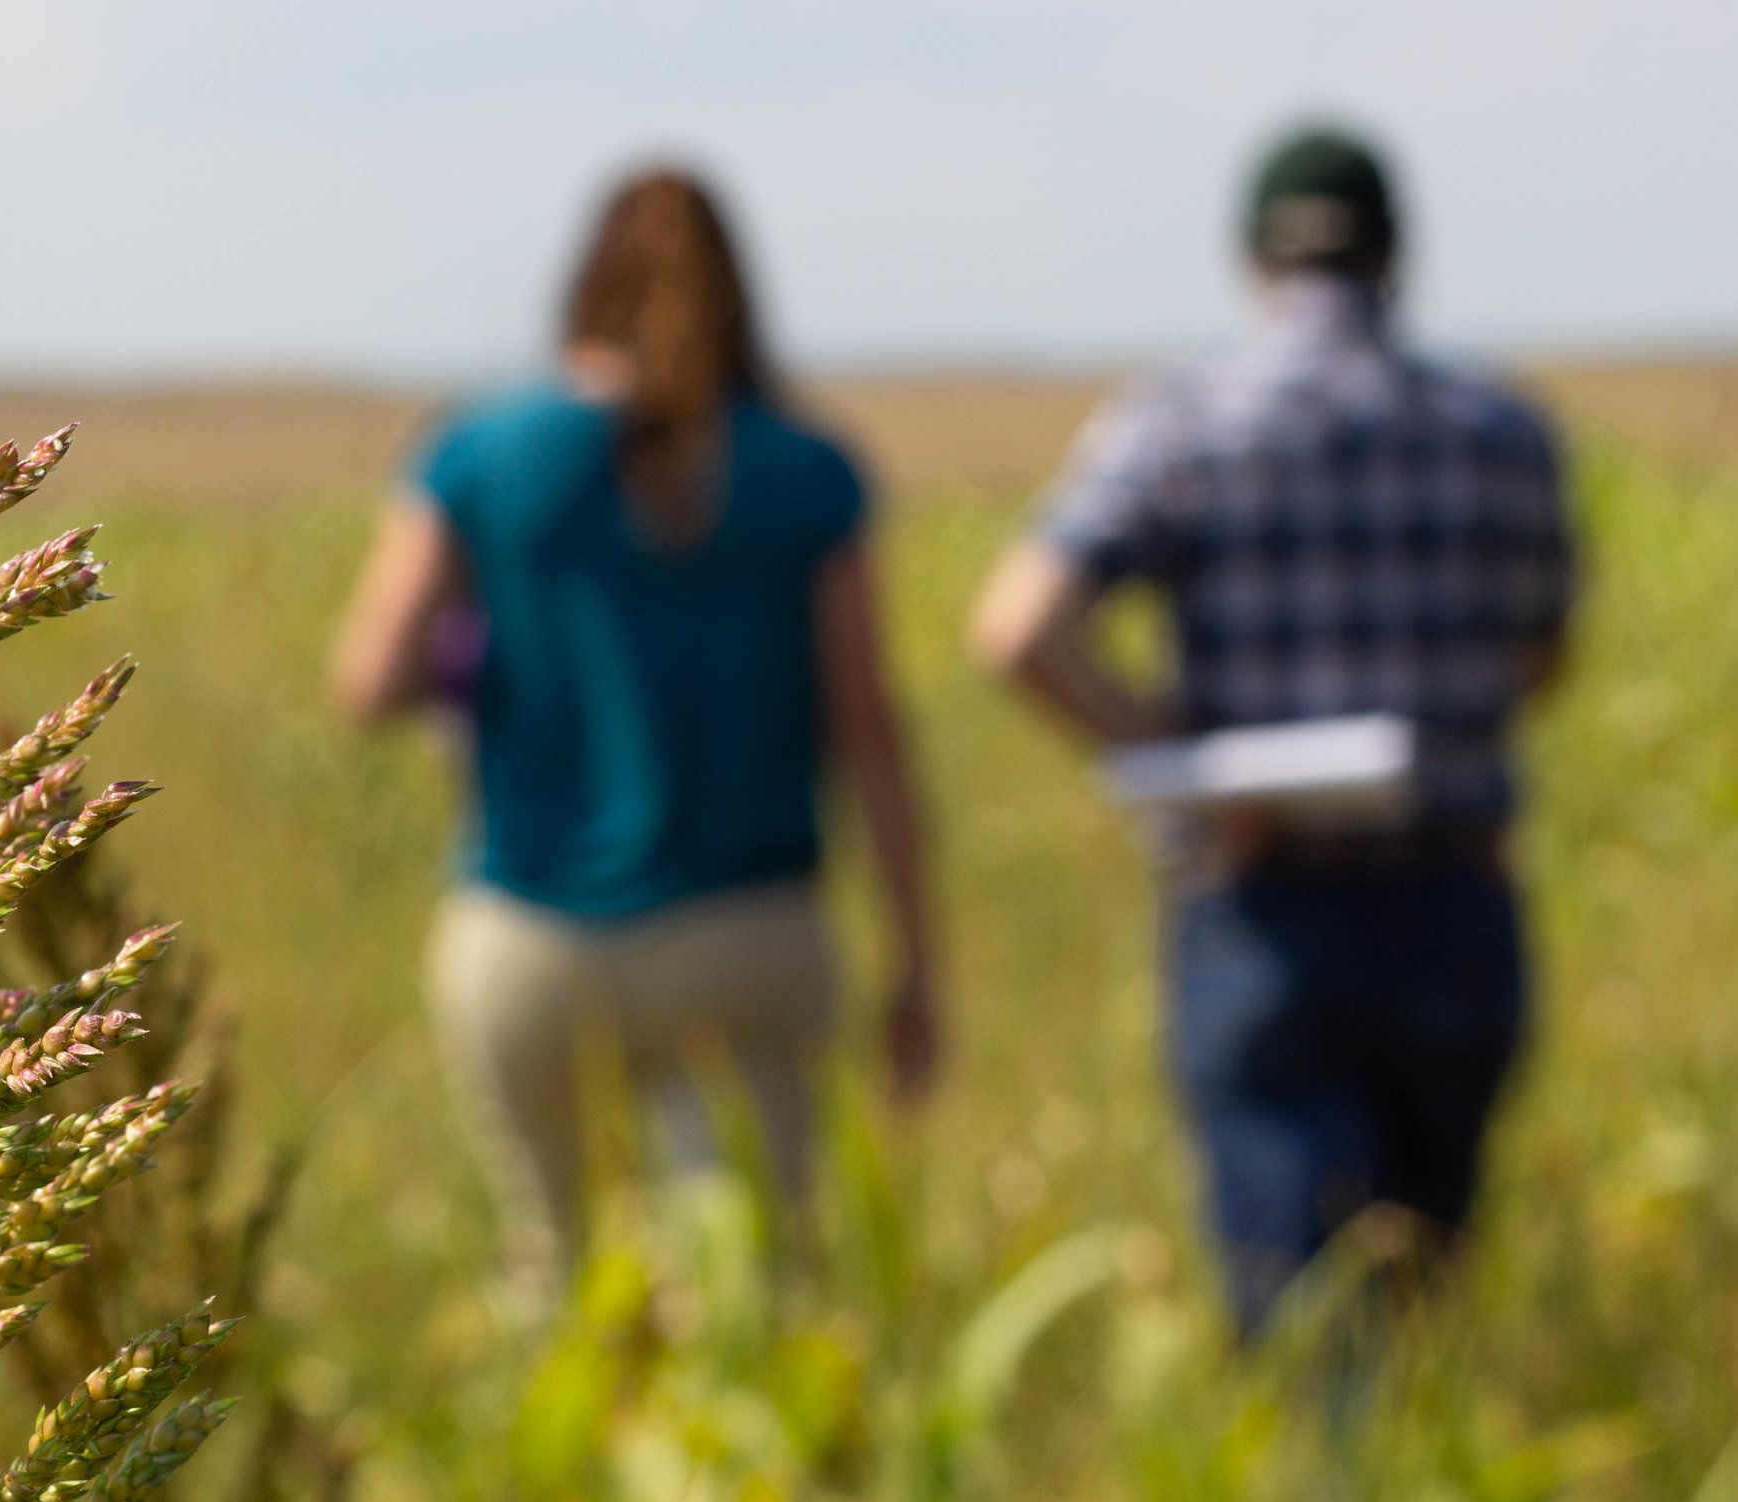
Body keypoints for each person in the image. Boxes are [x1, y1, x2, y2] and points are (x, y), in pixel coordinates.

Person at [971, 127, 1575, 1333]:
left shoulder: (1184, 421)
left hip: (1264, 906)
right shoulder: (1498, 430)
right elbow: (1541, 655)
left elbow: (1016, 630)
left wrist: (1179, 757)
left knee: (1300, 1329)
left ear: (1251, 258)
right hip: (1451, 898)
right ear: (1396, 257)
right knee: (1423, 1309)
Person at [330, 167, 940, 1306]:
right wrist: (916, 960)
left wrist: (477, 663)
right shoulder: (807, 472)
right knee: (747, 1298)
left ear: (584, 285)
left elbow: (370, 679)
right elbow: (870, 732)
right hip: (746, 933)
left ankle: (553, 1486)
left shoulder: (475, 454)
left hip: (527, 934)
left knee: (549, 1277)